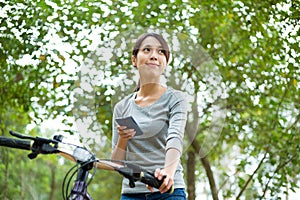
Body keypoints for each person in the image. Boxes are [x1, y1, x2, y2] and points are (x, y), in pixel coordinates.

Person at [111, 32, 188, 200]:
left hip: (168, 192)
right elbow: (116, 163)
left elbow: (175, 138)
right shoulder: (122, 107)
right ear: (134, 59)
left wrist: (168, 172)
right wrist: (123, 140)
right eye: (147, 50)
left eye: (161, 52)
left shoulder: (176, 99)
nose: (154, 56)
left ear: (165, 62)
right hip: (132, 194)